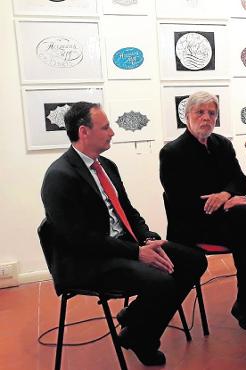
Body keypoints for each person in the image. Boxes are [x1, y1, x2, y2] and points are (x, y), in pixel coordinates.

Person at [41, 102, 207, 366]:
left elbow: (127, 211)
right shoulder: (60, 177)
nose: (112, 133)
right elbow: (79, 240)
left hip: (122, 247)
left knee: (194, 260)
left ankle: (135, 323)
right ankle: (144, 337)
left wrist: (147, 239)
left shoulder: (105, 164)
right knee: (161, 281)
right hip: (87, 261)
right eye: (105, 127)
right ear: (84, 132)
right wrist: (137, 253)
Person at [159, 91, 246, 336]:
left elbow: (239, 180)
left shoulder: (222, 144)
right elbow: (180, 202)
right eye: (200, 112)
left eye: (212, 113)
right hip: (193, 224)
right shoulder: (172, 153)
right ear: (187, 116)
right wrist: (222, 202)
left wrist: (226, 195)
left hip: (227, 219)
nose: (206, 118)